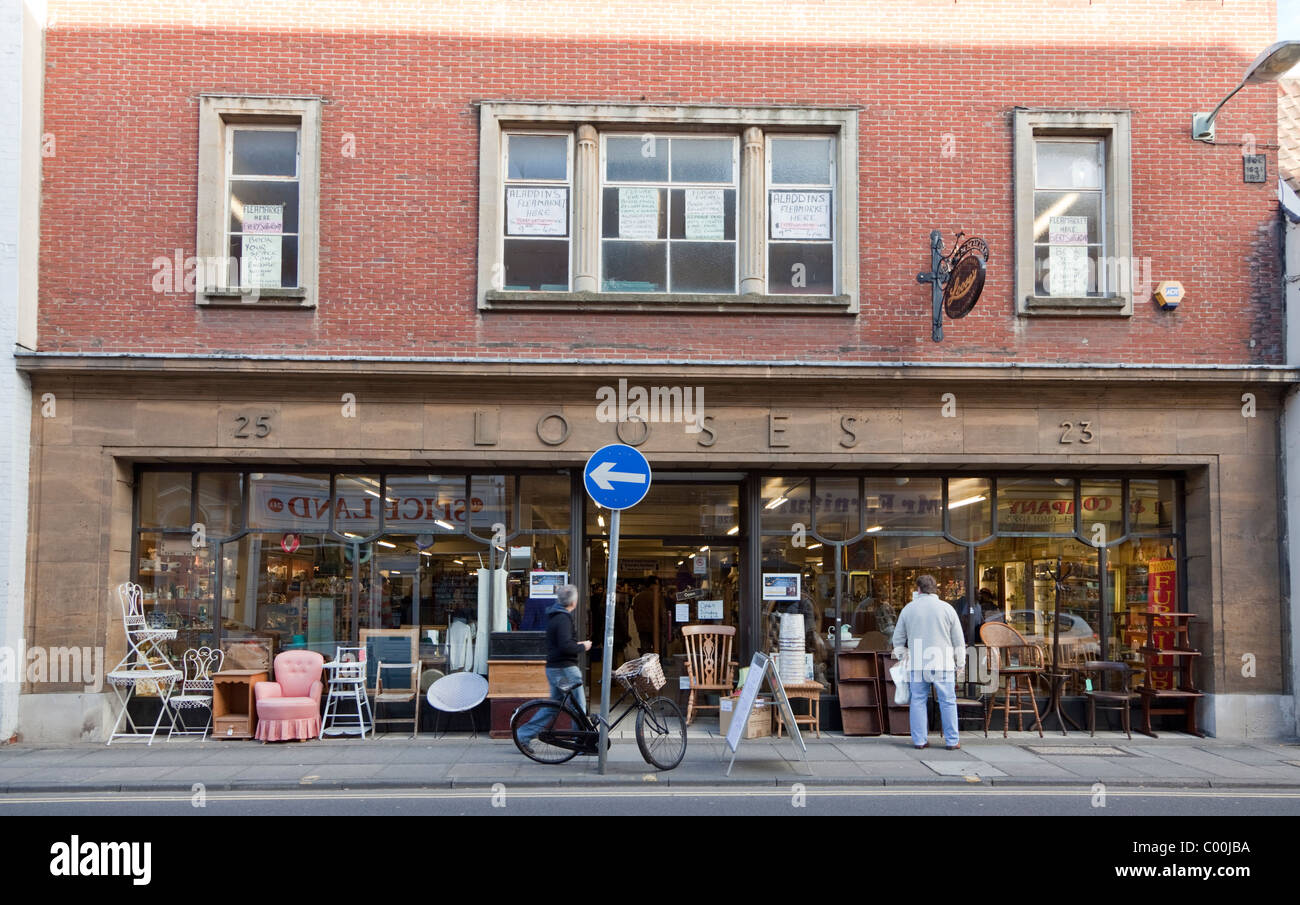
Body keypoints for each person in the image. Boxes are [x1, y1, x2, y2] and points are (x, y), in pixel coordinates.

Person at [892, 574, 966, 751]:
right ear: (936, 589)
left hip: (917, 663)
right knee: (948, 701)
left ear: (918, 589)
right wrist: (960, 662)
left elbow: (898, 638)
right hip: (943, 662)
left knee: (917, 700)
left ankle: (919, 740)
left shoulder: (909, 609)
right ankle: (952, 740)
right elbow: (958, 640)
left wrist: (903, 657)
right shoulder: (947, 608)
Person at [516, 584, 591, 752]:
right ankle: (581, 742)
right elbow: (565, 646)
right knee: (578, 706)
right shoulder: (563, 619)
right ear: (573, 601)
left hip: (554, 667)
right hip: (565, 668)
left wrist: (574, 645)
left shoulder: (554, 616)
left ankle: (523, 735)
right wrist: (582, 646)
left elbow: (561, 643)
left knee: (552, 707)